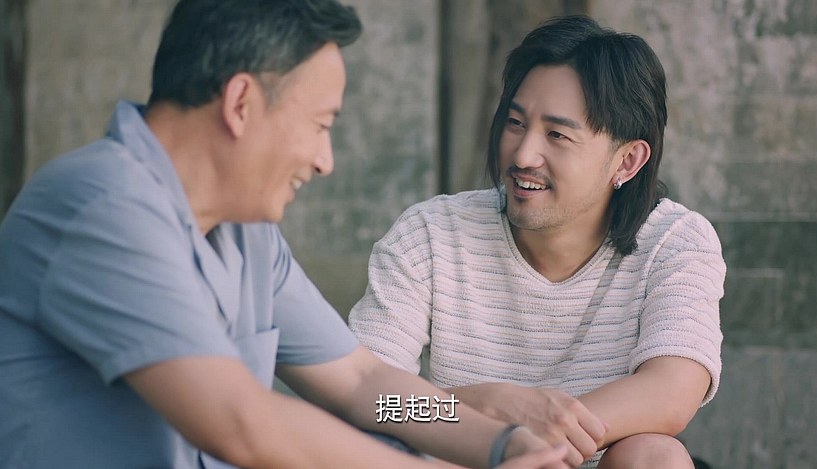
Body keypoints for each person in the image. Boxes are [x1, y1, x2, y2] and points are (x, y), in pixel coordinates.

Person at [0, 1, 573, 468]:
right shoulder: (100, 207)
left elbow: (364, 384)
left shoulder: (247, 233)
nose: (325, 161)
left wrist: (499, 443)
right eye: (320, 125)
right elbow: (241, 423)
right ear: (241, 104)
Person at [349, 15, 725, 469]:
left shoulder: (673, 242)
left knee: (655, 456)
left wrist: (539, 432)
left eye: (557, 135)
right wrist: (483, 410)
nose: (523, 155)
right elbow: (369, 399)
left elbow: (672, 393)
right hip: (473, 460)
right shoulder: (429, 235)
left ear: (627, 161)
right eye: (515, 123)